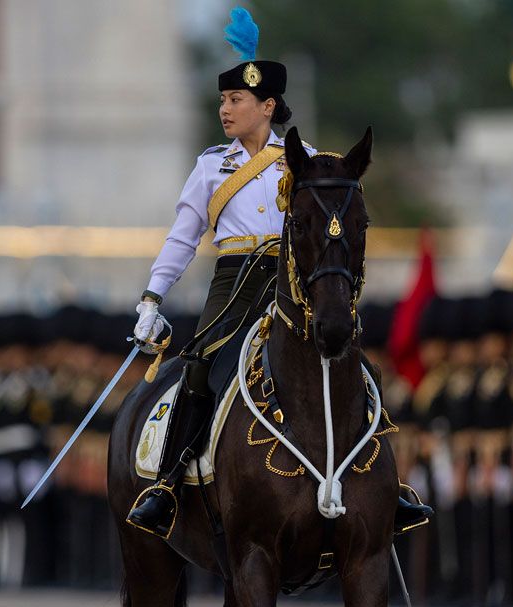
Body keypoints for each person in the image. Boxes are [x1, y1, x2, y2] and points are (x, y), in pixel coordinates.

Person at [127, 8, 431, 538]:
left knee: (359, 368)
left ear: (266, 106)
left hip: (296, 281)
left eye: (236, 100)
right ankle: (169, 486)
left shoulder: (308, 160)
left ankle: (389, 487)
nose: (225, 109)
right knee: (200, 369)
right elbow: (183, 237)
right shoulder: (209, 166)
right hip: (233, 284)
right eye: (223, 99)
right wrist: (153, 297)